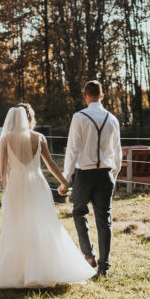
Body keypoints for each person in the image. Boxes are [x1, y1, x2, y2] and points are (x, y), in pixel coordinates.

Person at [0, 103, 96, 288]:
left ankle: (18, 274)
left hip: (16, 185)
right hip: (36, 185)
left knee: (17, 227)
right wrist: (64, 182)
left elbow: (2, 170)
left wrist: (7, 190)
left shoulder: (6, 139)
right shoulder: (39, 138)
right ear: (29, 118)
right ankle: (43, 270)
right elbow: (51, 165)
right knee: (43, 225)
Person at [58, 80, 122, 276]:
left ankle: (89, 255)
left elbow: (73, 149)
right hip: (105, 174)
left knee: (79, 213)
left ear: (85, 96)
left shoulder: (79, 117)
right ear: (102, 96)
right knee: (105, 220)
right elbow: (117, 153)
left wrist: (66, 178)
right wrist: (114, 176)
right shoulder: (112, 119)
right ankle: (104, 267)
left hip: (84, 175)